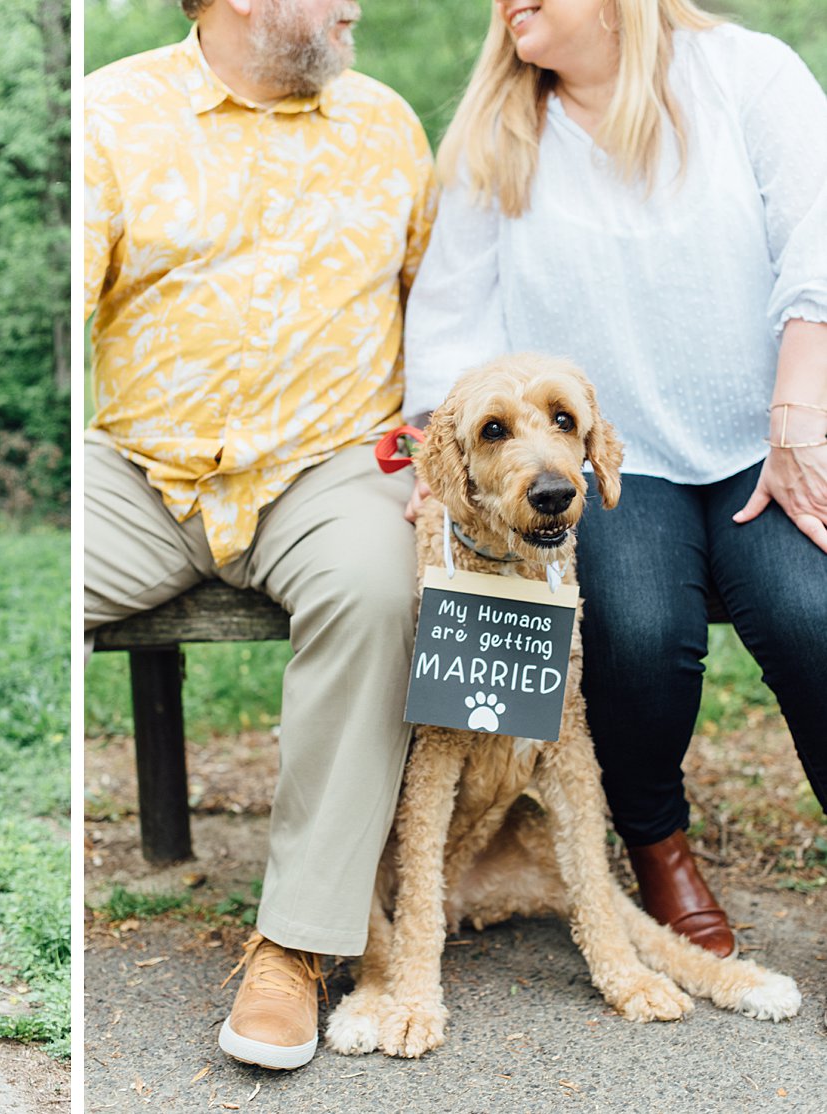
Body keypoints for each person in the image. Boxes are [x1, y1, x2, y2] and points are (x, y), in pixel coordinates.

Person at [403, 0, 827, 960]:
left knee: (814, 615)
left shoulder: (748, 76)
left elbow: (820, 241)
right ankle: (657, 846)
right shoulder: (496, 134)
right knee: (635, 629)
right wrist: (435, 463)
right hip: (594, 463)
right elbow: (452, 324)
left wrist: (802, 416)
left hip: (772, 435)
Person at [85, 0, 435, 1071]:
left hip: (330, 469)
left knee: (379, 584)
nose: (356, 7)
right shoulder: (109, 117)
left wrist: (432, 444)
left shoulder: (387, 125)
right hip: (142, 471)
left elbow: (444, 303)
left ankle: (298, 942)